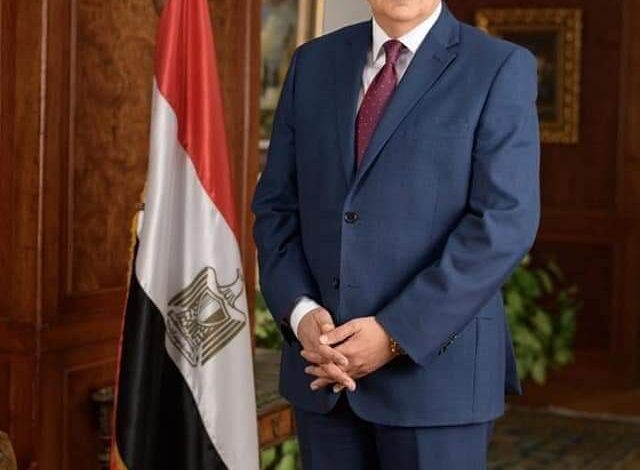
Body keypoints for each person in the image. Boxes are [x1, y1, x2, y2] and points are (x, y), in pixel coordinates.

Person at [252, 0, 540, 468]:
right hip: (323, 377)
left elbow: (504, 223)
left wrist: (394, 334)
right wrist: (300, 313)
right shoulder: (312, 64)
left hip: (435, 383)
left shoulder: (498, 67)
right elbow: (276, 208)